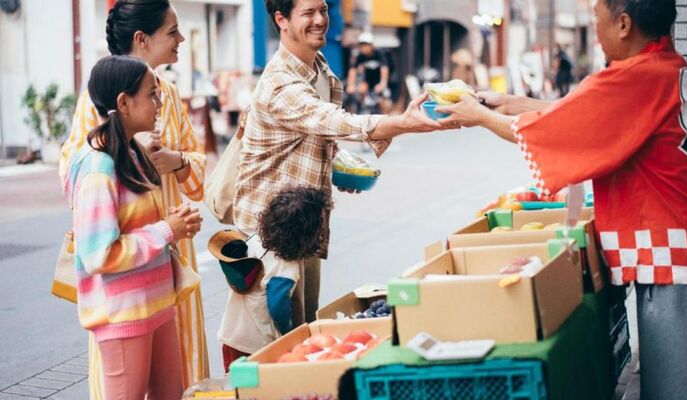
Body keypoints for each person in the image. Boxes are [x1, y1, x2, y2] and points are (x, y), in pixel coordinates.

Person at [438, 0, 687, 399]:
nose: (595, 30)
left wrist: (480, 116)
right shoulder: (674, 71)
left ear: (623, 23)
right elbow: (585, 115)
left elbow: (564, 130)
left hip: (675, 265)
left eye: (596, 19)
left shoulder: (635, 78)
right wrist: (510, 104)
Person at [235, 0, 441, 329]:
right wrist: (402, 122)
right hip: (270, 235)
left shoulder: (321, 70)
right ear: (281, 19)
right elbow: (329, 120)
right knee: (271, 341)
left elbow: (311, 137)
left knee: (304, 330)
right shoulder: (279, 83)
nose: (320, 20)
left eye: (324, 10)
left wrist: (334, 168)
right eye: (308, 13)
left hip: (306, 224)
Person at [59, 1, 209, 397]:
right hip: (124, 278)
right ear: (142, 39)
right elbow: (75, 173)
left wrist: (175, 161)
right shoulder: (101, 92)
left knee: (176, 379)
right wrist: (128, 154)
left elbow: (198, 170)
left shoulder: (170, 94)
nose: (180, 40)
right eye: (172, 31)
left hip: (168, 263)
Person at [217, 186, 332, 372]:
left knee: (237, 388)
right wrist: (288, 333)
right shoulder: (287, 267)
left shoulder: (255, 240)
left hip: (231, 335)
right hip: (258, 347)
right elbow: (278, 306)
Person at [346, 32, 390, 113]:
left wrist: (383, 83)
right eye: (361, 46)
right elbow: (353, 69)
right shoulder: (360, 56)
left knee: (384, 102)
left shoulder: (379, 54)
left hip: (378, 81)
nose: (363, 48)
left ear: (371, 45)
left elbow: (384, 69)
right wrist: (351, 85)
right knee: (361, 90)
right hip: (367, 81)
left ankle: (385, 117)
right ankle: (361, 110)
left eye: (366, 45)